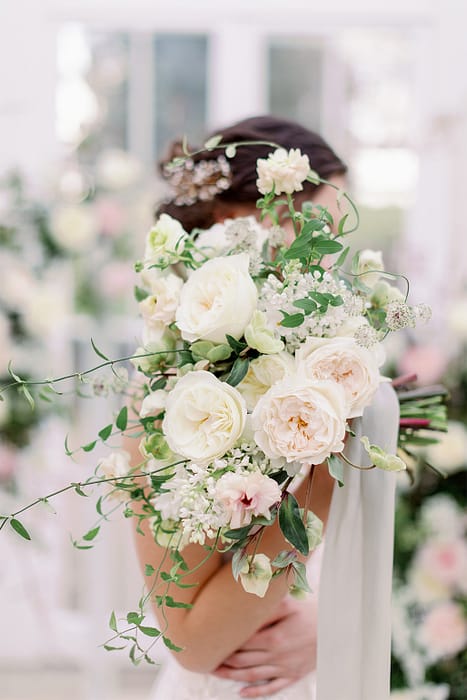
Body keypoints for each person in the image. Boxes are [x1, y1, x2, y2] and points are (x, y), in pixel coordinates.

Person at [127, 116, 399, 700]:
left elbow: (377, 546)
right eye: (315, 226)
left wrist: (337, 626)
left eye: (336, 236)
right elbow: (194, 640)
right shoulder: (170, 393)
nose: (328, 257)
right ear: (233, 221)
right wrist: (327, 444)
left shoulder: (339, 364)